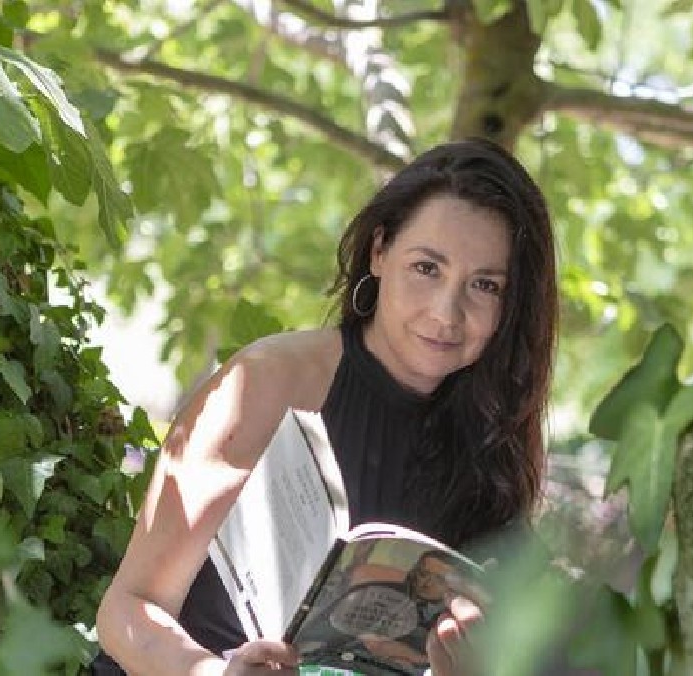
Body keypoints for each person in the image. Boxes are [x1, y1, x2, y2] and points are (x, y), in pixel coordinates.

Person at [94, 137, 558, 676]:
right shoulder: (267, 381)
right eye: (427, 268)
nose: (446, 313)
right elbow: (127, 611)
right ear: (379, 252)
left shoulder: (492, 450)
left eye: (484, 285)